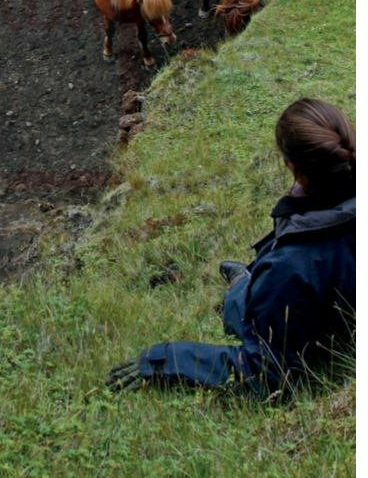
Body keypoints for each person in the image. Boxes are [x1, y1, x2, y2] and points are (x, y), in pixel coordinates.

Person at [107, 98, 355, 396]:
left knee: (256, 298)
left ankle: (241, 289)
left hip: (316, 319)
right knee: (252, 292)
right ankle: (241, 286)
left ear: (292, 166)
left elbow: (268, 372)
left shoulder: (291, 265)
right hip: (334, 302)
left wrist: (167, 358)